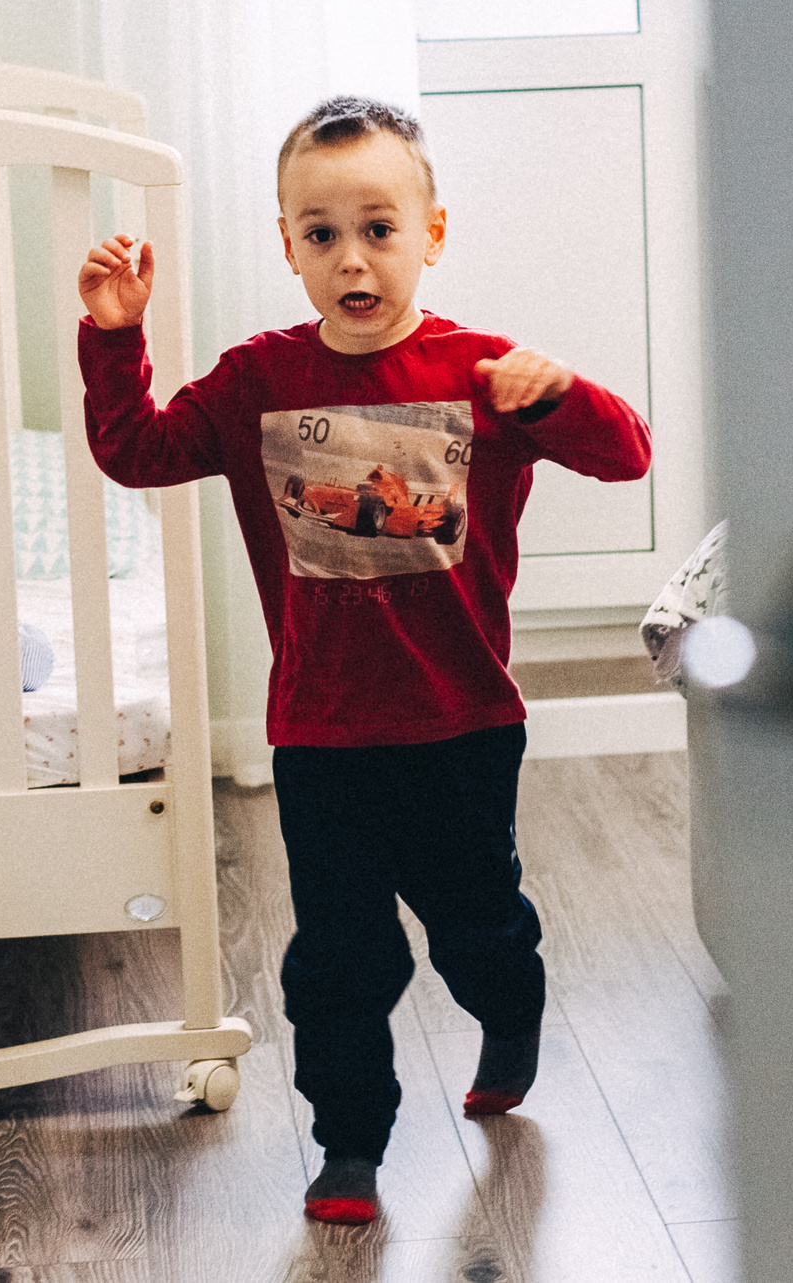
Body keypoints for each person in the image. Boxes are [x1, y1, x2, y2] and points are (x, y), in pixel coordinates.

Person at [75, 95, 652, 1225]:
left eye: (379, 228)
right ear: (287, 246)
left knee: (476, 921)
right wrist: (113, 333)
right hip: (323, 733)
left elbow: (626, 456)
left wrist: (563, 389)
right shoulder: (254, 384)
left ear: (431, 235)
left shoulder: (483, 371)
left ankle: (510, 1005)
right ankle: (349, 1143)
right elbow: (137, 452)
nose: (353, 257)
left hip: (464, 722)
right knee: (337, 955)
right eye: (322, 231)